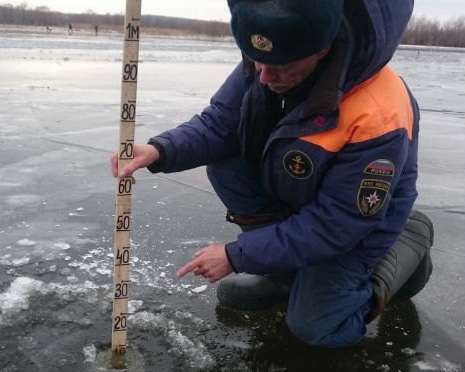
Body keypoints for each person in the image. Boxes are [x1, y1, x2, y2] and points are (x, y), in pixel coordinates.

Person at [110, 0, 433, 348]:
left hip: (360, 224)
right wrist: (161, 150)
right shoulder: (273, 52)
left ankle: (407, 244)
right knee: (227, 168)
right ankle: (289, 279)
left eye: (279, 67)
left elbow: (337, 224)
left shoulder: (378, 114)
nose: (263, 77)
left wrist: (237, 255)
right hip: (310, 191)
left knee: (314, 327)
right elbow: (221, 122)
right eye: (256, 62)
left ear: (322, 48)